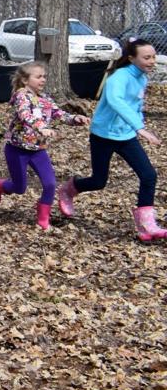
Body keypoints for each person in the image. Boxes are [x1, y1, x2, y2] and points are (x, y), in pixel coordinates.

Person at [58, 38, 166, 241]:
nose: (152, 61)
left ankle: (146, 225)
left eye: (153, 57)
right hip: (103, 135)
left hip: (125, 136)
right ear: (132, 58)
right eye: (146, 57)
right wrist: (139, 127)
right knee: (99, 181)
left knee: (149, 175)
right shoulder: (119, 77)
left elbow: (135, 104)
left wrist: (137, 124)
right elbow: (116, 101)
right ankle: (69, 189)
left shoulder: (142, 77)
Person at [0, 61, 90, 230]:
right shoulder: (21, 96)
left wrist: (74, 119)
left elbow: (58, 113)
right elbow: (25, 114)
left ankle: (43, 219)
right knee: (19, 188)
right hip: (17, 150)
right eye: (38, 77)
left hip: (38, 151)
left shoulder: (45, 98)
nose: (43, 80)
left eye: (44, 76)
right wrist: (41, 127)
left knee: (50, 184)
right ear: (26, 80)